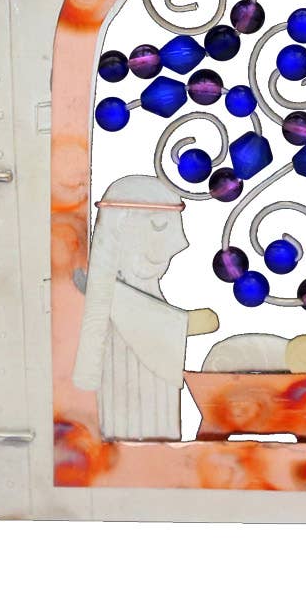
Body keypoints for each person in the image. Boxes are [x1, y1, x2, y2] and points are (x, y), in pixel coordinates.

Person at [73, 175, 218, 439]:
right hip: (128, 408)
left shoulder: (121, 291)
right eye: (159, 226)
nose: (178, 244)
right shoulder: (110, 293)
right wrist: (190, 322)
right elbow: (163, 322)